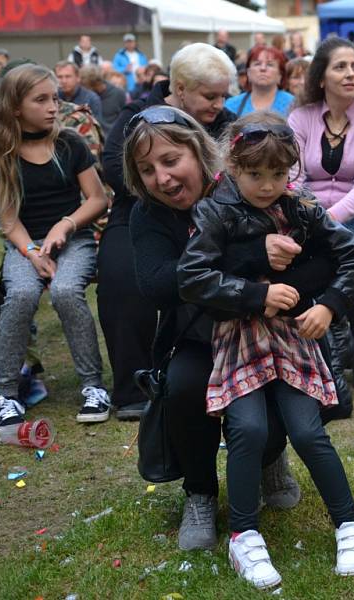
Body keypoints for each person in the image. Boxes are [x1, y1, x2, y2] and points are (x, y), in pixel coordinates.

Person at [177, 112, 354, 588]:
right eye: (255, 174)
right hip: (238, 339)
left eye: (279, 174)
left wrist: (328, 305)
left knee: (307, 431)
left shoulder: (302, 208)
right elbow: (192, 278)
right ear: (231, 166)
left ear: (292, 170)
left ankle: (349, 524)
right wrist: (254, 294)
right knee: (248, 428)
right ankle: (243, 535)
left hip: (293, 338)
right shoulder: (212, 211)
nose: (267, 186)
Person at [123, 106, 332, 550]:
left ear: (198, 152)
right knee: (184, 388)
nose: (162, 177)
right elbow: (162, 286)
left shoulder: (251, 184)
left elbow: (323, 258)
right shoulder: (149, 215)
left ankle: (269, 461)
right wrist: (254, 256)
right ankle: (199, 491)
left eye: (170, 160)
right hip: (200, 336)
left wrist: (299, 295)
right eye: (147, 169)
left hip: (271, 329)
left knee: (275, 398)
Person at [100, 43, 238, 420]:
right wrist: (162, 184)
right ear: (179, 88)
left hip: (211, 209)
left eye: (223, 95)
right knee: (121, 274)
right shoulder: (135, 114)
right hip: (139, 210)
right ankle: (132, 386)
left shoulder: (223, 119)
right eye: (209, 95)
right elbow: (114, 166)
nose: (217, 103)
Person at [0, 64, 110, 428]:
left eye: (55, 98)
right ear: (16, 107)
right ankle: (5, 393)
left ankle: (93, 386)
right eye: (42, 100)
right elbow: (7, 219)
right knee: (19, 295)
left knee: (66, 291)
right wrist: (32, 253)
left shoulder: (69, 143)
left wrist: (65, 224)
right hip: (24, 242)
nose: (53, 107)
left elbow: (97, 199)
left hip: (74, 238)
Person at [288, 37, 354, 260]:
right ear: (321, 79)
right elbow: (293, 179)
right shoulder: (300, 117)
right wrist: (308, 218)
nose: (351, 73)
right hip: (309, 217)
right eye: (340, 67)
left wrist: (329, 219)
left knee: (330, 257)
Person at [225, 46, 294, 118]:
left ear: (280, 74)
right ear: (248, 72)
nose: (263, 68)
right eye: (257, 64)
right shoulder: (231, 105)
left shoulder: (294, 105)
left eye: (270, 64)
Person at [80, 65, 126, 136]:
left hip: (112, 138)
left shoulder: (118, 93)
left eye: (86, 86)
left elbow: (124, 120)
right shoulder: (84, 96)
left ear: (96, 84)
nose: (84, 89)